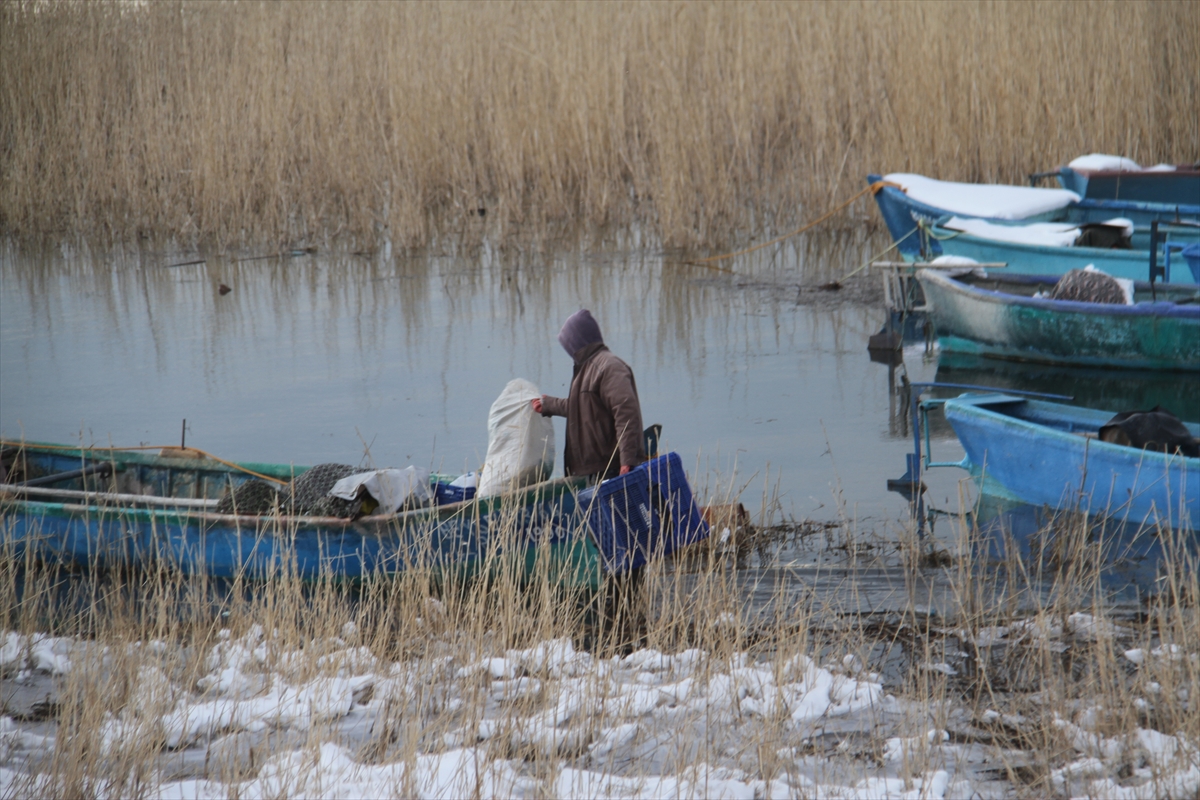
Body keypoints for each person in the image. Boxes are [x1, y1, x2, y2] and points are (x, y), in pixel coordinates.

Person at [531, 309, 645, 482]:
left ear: (578, 340)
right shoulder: (587, 368)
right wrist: (548, 405)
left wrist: (627, 459)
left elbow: (626, 413)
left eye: (568, 343)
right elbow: (585, 407)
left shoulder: (609, 367)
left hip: (611, 469)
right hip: (594, 470)